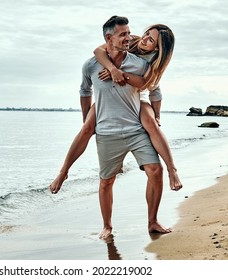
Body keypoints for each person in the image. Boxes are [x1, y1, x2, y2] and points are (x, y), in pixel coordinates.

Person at [56, 15, 174, 238]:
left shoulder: (147, 65)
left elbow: (151, 87)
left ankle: (159, 206)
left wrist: (156, 112)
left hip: (137, 110)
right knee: (91, 139)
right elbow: (94, 62)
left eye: (151, 41)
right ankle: (66, 175)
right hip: (109, 118)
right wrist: (111, 69)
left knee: (152, 134)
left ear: (159, 50)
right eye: (147, 35)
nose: (138, 39)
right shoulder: (102, 59)